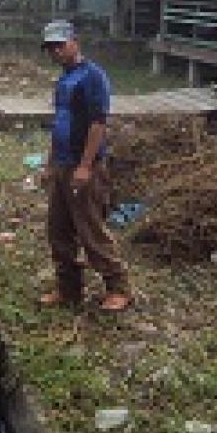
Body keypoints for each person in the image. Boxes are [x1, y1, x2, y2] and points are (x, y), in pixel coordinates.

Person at [39, 20, 131, 312]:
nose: (56, 52)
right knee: (58, 230)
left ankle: (119, 287)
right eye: (51, 48)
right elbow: (60, 123)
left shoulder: (92, 77)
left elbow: (97, 123)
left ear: (74, 42)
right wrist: (51, 163)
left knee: (90, 229)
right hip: (62, 165)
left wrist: (85, 166)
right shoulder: (63, 80)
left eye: (60, 45)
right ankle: (68, 289)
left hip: (83, 166)